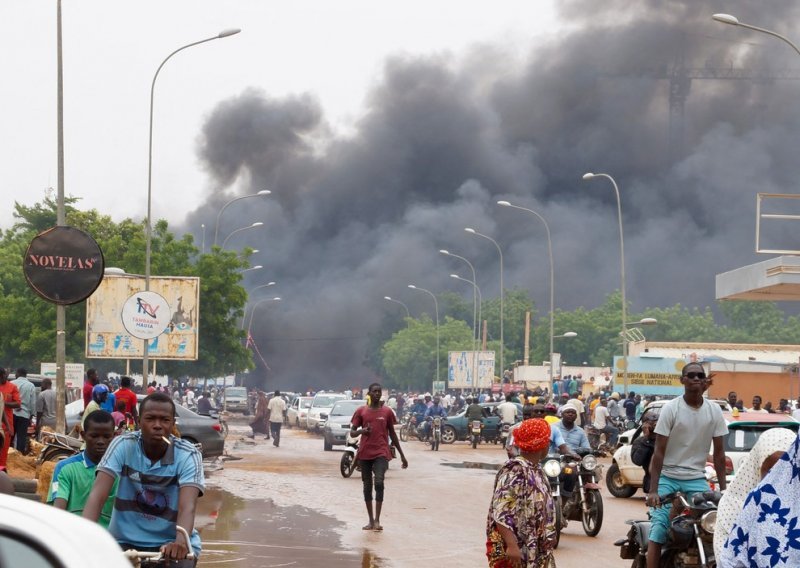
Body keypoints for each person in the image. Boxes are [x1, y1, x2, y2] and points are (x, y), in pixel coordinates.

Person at [83, 392, 205, 565]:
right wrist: (84, 536)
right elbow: (97, 495)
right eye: (150, 419)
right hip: (123, 543)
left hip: (171, 545)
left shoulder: (188, 455)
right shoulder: (123, 445)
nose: (157, 425)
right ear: (138, 422)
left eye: (165, 420)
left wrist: (180, 542)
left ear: (173, 424)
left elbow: (188, 506)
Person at [645, 362, 728, 568]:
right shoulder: (671, 409)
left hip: (697, 480)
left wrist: (725, 490)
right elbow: (659, 452)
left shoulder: (714, 411)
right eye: (691, 375)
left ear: (705, 380)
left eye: (700, 375)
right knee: (659, 529)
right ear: (682, 380)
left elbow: (719, 455)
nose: (696, 379)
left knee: (712, 527)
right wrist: (654, 491)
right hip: (668, 478)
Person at [714, 427, 795, 562]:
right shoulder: (733, 507)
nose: (779, 478)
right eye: (771, 470)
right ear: (757, 467)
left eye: (787, 469)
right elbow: (727, 561)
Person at [486, 418, 556, 567]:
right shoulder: (516, 471)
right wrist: (511, 546)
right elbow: (501, 511)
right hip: (518, 548)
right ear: (542, 446)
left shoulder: (535, 470)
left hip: (535, 547)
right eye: (547, 440)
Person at [349, 382, 408, 531]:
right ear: (368, 394)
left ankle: (377, 520)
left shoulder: (387, 412)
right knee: (367, 487)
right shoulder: (361, 411)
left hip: (381, 452)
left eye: (379, 391)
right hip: (365, 453)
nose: (377, 394)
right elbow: (352, 432)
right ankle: (370, 520)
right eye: (374, 391)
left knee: (379, 483)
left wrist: (402, 455)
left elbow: (393, 434)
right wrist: (363, 431)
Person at [48, 409, 118, 526]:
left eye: (106, 437)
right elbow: (58, 508)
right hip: (73, 536)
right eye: (94, 436)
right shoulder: (65, 468)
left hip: (109, 540)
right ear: (83, 436)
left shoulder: (120, 471)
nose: (100, 441)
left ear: (114, 436)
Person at [630, 410, 658, 493]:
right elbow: (637, 461)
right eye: (651, 423)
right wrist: (646, 439)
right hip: (651, 482)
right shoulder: (640, 442)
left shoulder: (664, 439)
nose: (655, 426)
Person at [0, 368, 20, 471]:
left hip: (5, 425)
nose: (3, 377)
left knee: (3, 451)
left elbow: (17, 403)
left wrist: (4, 403)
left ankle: (2, 472)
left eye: (3, 376)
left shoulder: (12, 387)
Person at [11, 368, 35, 454]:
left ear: (17, 374)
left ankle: (8, 455)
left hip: (11, 414)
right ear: (26, 375)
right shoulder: (31, 385)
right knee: (21, 437)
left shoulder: (11, 383)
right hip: (24, 415)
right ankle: (19, 456)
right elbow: (33, 403)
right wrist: (32, 415)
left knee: (10, 436)